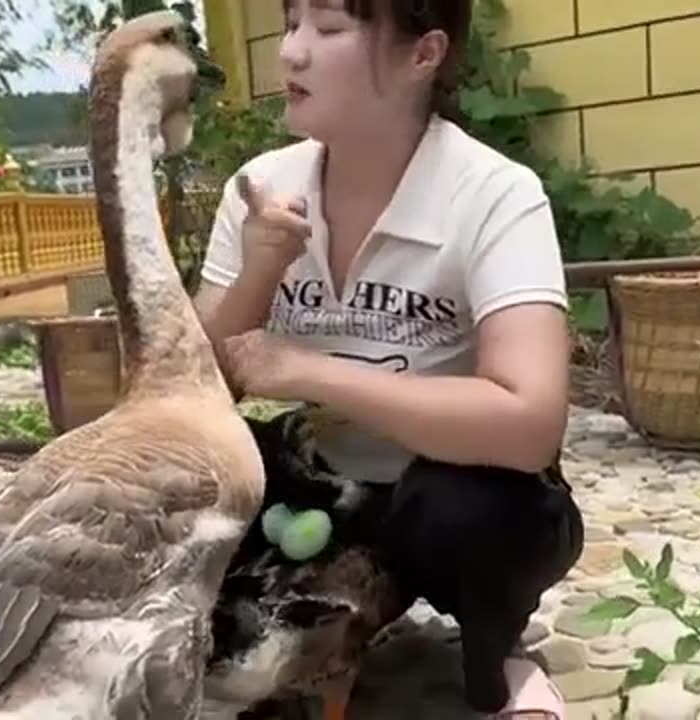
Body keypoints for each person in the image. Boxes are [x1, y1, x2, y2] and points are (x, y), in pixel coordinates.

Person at [192, 0, 584, 718]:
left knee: (468, 511)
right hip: (322, 475)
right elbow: (185, 390)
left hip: (448, 481)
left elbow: (530, 422)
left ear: (423, 54)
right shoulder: (261, 190)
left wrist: (305, 371)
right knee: (187, 473)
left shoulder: (493, 195)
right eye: (290, 26)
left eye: (330, 29)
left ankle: (496, 655)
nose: (292, 54)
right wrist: (258, 270)